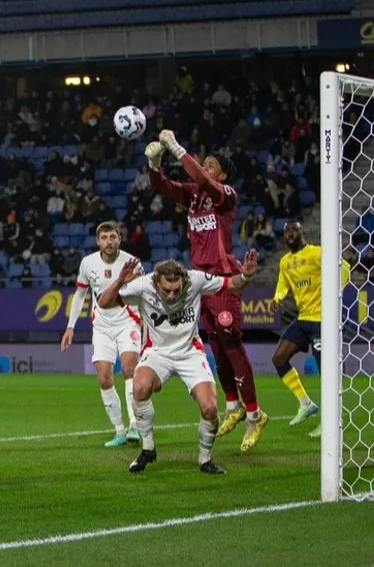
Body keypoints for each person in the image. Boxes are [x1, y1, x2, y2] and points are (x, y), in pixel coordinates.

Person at [148, 134, 268, 452]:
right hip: (199, 281)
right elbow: (163, 187)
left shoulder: (225, 194)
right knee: (215, 345)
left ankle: (255, 415)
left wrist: (177, 150)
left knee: (231, 343)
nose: (204, 167)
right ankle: (233, 407)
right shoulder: (193, 195)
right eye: (205, 163)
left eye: (211, 165)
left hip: (224, 277)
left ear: (222, 175)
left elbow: (199, 176)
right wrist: (153, 164)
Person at [97, 251, 260, 475]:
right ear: (156, 282)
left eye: (177, 290)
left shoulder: (195, 280)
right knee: (139, 387)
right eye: (167, 290)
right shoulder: (144, 285)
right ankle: (148, 448)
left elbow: (232, 283)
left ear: (184, 280)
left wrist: (246, 276)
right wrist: (118, 282)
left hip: (190, 353)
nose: (172, 296)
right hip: (157, 353)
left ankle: (205, 459)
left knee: (210, 408)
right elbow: (103, 303)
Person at [61, 221, 142, 447]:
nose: (109, 241)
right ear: (98, 241)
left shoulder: (132, 263)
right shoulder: (88, 263)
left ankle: (135, 425)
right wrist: (70, 326)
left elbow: (143, 292)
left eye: (113, 237)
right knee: (104, 377)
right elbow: (80, 295)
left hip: (128, 320)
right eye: (104, 237)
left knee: (128, 367)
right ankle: (119, 431)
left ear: (119, 238)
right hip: (102, 326)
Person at [269, 221, 352, 438]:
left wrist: (336, 291)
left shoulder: (316, 253)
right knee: (279, 358)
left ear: (302, 232)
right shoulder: (286, 262)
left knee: (326, 372)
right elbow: (282, 284)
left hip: (322, 321)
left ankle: (331, 422)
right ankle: (305, 404)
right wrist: (277, 299)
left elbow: (344, 267)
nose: (289, 234)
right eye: (286, 231)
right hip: (303, 319)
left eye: (293, 230)